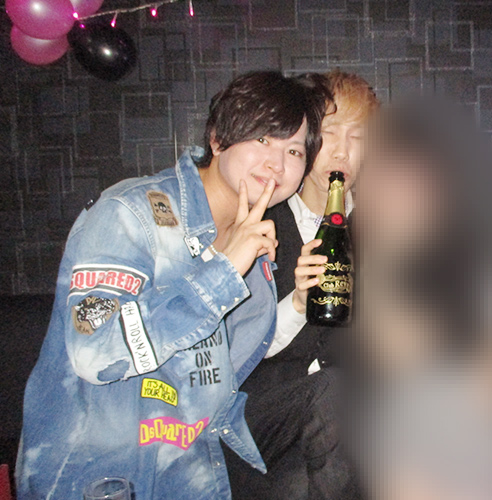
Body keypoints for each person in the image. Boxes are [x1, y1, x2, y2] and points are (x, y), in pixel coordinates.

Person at [15, 71, 328, 500]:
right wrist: (222, 272)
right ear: (217, 139)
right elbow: (95, 352)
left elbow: (222, 364)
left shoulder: (254, 251)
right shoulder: (131, 213)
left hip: (194, 461)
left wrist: (298, 302)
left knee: (341, 398)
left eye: (293, 150)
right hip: (106, 476)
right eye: (262, 139)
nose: (277, 163)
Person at [224, 70, 379, 499]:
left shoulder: (381, 225)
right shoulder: (259, 221)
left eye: (358, 137)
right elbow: (232, 349)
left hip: (347, 424)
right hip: (264, 418)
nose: (343, 152)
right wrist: (296, 303)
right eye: (330, 134)